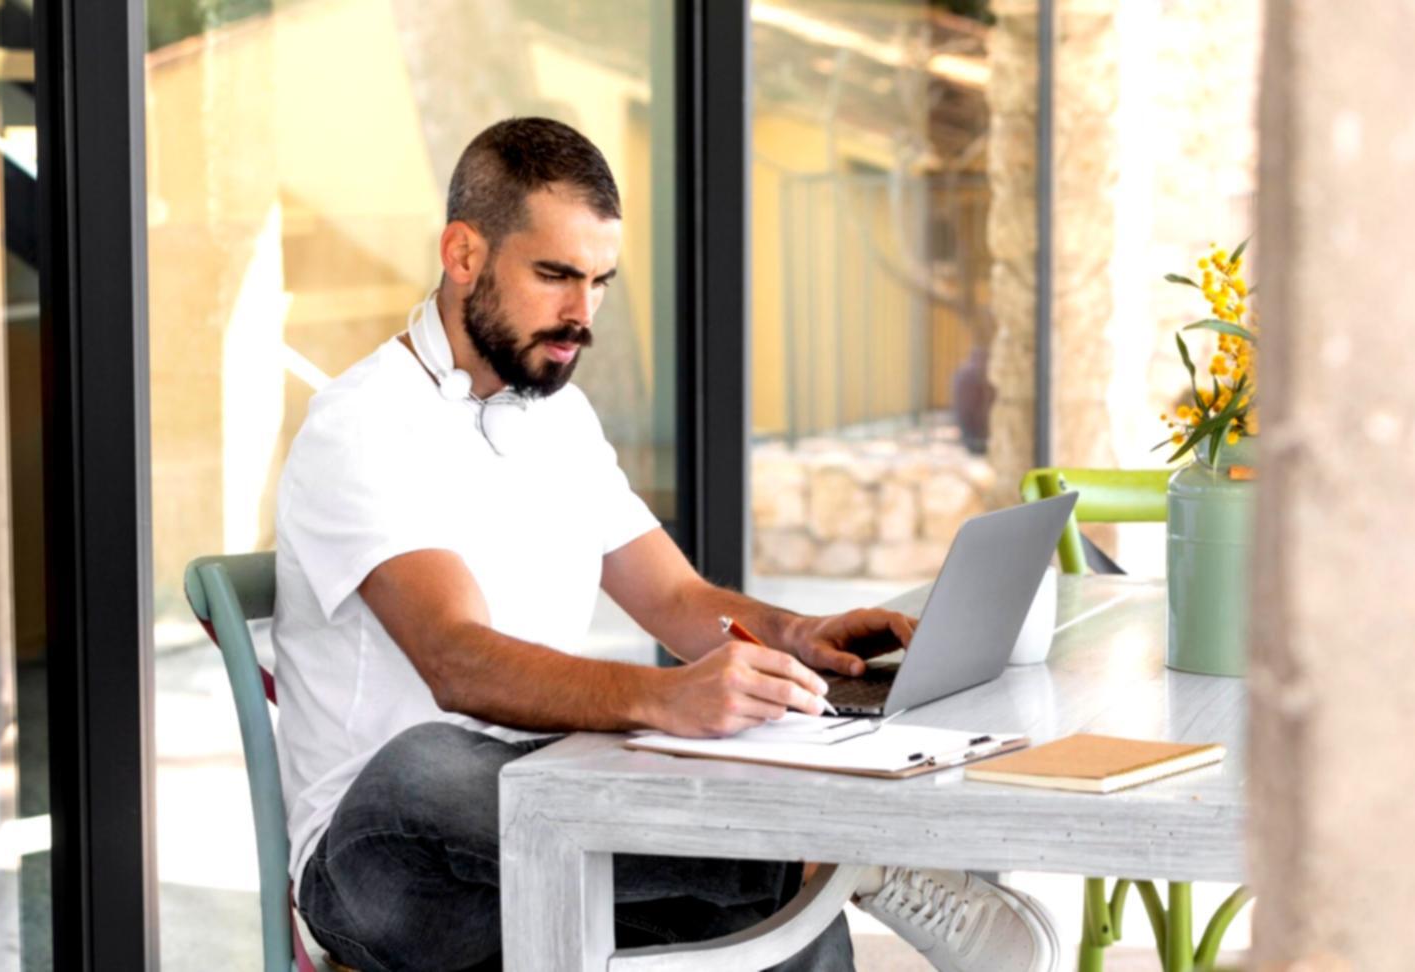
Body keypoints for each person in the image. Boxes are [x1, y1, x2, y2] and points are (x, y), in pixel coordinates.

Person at [273, 117, 1059, 972]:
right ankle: (854, 857)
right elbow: (457, 663)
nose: (582, 314)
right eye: (554, 276)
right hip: (389, 867)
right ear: (462, 254)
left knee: (771, 924)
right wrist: (664, 698)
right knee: (427, 762)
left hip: (555, 829)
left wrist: (795, 637)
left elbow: (679, 601)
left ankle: (830, 866)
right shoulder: (364, 423)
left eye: (601, 281)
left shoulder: (558, 418)